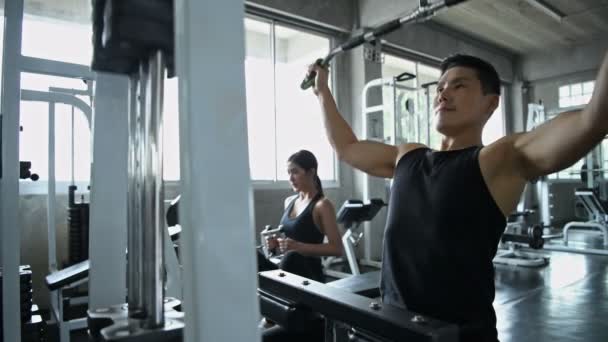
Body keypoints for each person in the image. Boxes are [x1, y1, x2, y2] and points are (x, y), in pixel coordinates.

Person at [307, 52, 608, 341]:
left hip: (458, 337)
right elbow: (347, 147)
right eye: (440, 87)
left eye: (459, 85)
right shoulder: (407, 156)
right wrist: (322, 91)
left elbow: (592, 120)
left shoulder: (498, 159)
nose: (443, 93)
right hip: (392, 329)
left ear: (490, 104)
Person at [258, 150, 342, 341]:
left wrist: (298, 247)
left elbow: (337, 248)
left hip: (309, 277)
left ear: (311, 172)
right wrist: (274, 244)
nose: (290, 178)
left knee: (292, 257)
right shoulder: (290, 201)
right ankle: (268, 310)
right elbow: (286, 241)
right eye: (288, 173)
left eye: (295, 172)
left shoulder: (322, 205)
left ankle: (274, 315)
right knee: (253, 257)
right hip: (286, 271)